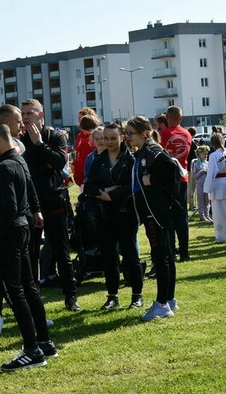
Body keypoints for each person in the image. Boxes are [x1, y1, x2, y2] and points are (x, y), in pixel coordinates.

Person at [0, 119, 58, 371]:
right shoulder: (19, 159)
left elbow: (9, 206)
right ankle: (44, 342)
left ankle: (32, 349)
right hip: (23, 228)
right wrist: (35, 211)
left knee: (16, 291)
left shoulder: (4, 166)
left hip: (11, 232)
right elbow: (30, 193)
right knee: (29, 286)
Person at [20, 99, 79, 312]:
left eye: (30, 113)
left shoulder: (55, 136)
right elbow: (27, 167)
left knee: (61, 249)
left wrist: (39, 145)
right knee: (31, 252)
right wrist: (44, 161)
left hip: (54, 198)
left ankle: (71, 296)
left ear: (41, 114)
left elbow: (59, 162)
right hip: (29, 201)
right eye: (23, 113)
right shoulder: (19, 139)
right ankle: (33, 301)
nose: (26, 117)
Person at [82, 122, 143, 310]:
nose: (108, 142)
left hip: (126, 214)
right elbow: (89, 185)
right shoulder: (98, 160)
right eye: (104, 138)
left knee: (130, 255)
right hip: (104, 214)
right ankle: (112, 296)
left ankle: (137, 295)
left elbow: (135, 184)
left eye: (112, 138)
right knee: (109, 256)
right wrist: (103, 193)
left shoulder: (131, 159)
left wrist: (114, 194)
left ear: (121, 137)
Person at [126, 116, 178, 321]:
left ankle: (162, 303)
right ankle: (169, 298)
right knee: (165, 255)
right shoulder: (143, 151)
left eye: (131, 133)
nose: (128, 137)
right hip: (152, 211)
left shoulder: (152, 150)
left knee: (160, 257)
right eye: (127, 134)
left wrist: (152, 179)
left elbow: (171, 166)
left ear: (143, 133)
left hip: (155, 212)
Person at [158, 106, 192, 261]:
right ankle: (185, 252)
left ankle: (171, 250)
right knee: (182, 217)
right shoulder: (186, 134)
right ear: (181, 118)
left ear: (167, 118)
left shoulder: (162, 134)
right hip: (182, 178)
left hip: (166, 180)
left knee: (168, 217)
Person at [73, 110, 100, 190]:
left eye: (81, 118)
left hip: (89, 177)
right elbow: (78, 155)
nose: (78, 120)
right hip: (80, 175)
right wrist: (74, 164)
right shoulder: (80, 136)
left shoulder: (94, 138)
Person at [191, 145, 211, 222]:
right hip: (200, 184)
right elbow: (194, 176)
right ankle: (202, 216)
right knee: (201, 200)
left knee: (207, 200)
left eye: (207, 154)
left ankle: (207, 215)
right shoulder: (197, 164)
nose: (206, 156)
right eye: (204, 154)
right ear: (199, 154)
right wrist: (201, 172)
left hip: (207, 184)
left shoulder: (207, 163)